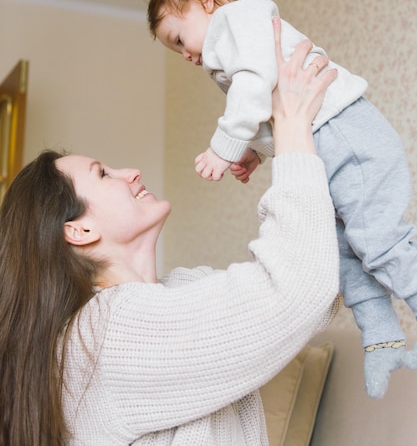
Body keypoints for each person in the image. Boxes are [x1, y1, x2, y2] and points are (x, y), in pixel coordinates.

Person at [0, 25, 339, 446]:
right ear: (79, 229)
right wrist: (291, 126)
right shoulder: (106, 335)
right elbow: (297, 289)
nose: (131, 173)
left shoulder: (180, 288)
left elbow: (318, 295)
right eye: (103, 174)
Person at [147, 0, 417, 398]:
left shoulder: (238, 18)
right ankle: (382, 339)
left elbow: (256, 86)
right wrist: (256, 151)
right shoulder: (235, 40)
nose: (184, 55)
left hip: (347, 136)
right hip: (322, 146)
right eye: (176, 51)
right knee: (345, 258)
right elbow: (275, 108)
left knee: (379, 242)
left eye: (179, 38)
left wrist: (225, 147)